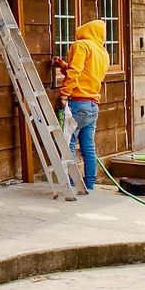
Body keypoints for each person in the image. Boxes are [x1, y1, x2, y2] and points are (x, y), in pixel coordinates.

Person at [54, 19, 109, 190]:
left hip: (78, 103)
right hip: (93, 105)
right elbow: (86, 73)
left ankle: (72, 183)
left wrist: (64, 94)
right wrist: (63, 65)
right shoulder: (102, 52)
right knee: (88, 147)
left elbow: (75, 72)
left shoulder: (81, 46)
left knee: (69, 143)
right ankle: (90, 184)